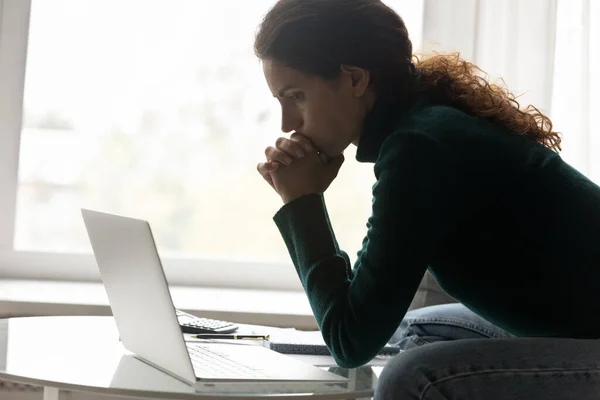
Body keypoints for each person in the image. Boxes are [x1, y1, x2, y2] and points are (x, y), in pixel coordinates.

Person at [253, 0, 600, 398]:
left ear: (355, 80)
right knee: (415, 329)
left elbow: (350, 342)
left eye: (296, 96)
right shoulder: (425, 124)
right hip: (580, 328)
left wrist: (302, 202)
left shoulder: (420, 148)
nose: (287, 123)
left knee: (413, 376)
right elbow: (363, 317)